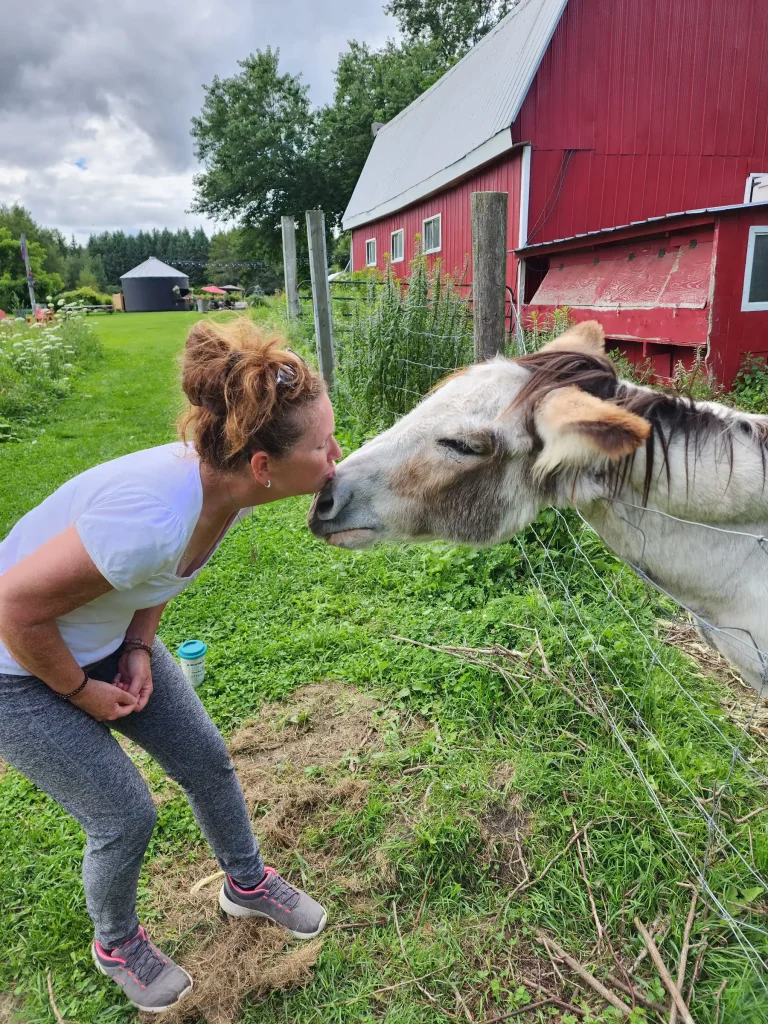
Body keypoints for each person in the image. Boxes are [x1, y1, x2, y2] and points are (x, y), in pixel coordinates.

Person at [0, 319, 343, 1013]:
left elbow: (158, 581)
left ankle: (245, 884)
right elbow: (12, 609)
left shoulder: (231, 488)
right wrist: (79, 690)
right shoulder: (153, 517)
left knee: (206, 758)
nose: (339, 455)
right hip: (15, 667)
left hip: (99, 640)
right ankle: (115, 941)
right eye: (323, 446)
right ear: (264, 465)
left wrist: (133, 648)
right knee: (123, 816)